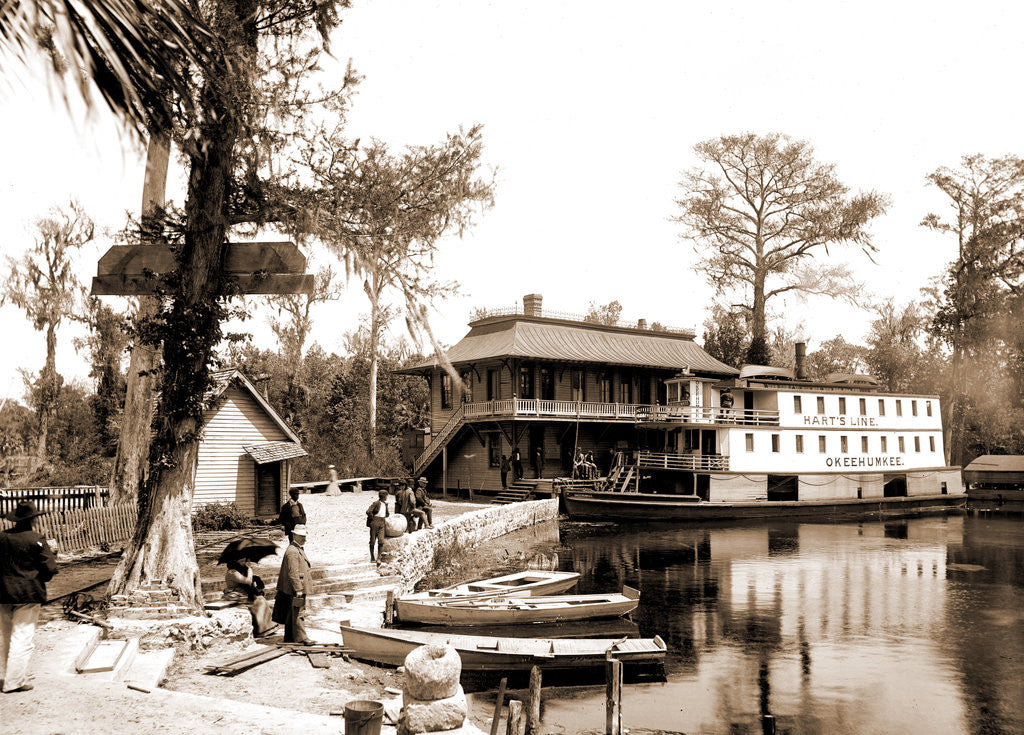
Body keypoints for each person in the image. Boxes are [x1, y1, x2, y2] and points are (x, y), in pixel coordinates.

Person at [0, 500, 58, 693]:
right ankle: (14, 682)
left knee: (5, 637)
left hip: (3, 593)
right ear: (33, 519)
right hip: (28, 594)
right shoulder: (37, 539)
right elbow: (49, 568)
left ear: (15, 519)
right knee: (22, 639)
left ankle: (4, 676)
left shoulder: (2, 537)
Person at [272, 524, 312, 644]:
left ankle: (289, 638)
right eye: (301, 536)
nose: (304, 539)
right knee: (298, 612)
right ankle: (302, 638)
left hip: (293, 587)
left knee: (291, 613)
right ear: (294, 535)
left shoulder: (295, 549)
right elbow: (293, 572)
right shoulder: (293, 551)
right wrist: (298, 589)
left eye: (304, 536)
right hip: (295, 587)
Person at [223, 560, 273, 637]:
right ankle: (260, 629)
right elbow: (247, 581)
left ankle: (264, 626)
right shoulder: (232, 573)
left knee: (261, 599)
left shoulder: (240, 571)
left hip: (242, 594)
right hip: (234, 595)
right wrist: (249, 570)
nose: (244, 563)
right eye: (242, 561)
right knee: (259, 602)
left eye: (245, 560)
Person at [365, 489, 390, 562]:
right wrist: (372, 518)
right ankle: (372, 557)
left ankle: (379, 558)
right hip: (375, 522)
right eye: (386, 496)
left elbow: (387, 514)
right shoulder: (376, 503)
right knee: (372, 540)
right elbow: (368, 511)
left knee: (381, 541)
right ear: (384, 496)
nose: (387, 497)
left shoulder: (385, 504)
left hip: (382, 522)